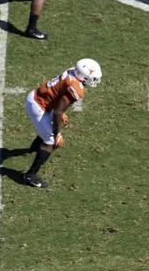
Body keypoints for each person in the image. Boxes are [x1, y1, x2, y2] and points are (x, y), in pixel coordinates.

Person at [21, 59, 102, 188]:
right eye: (92, 77)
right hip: (39, 106)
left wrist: (60, 112)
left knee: (48, 129)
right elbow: (57, 113)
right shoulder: (76, 87)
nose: (93, 80)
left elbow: (58, 93)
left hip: (37, 97)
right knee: (51, 142)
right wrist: (57, 133)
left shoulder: (72, 72)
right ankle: (30, 176)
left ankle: (34, 149)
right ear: (85, 76)